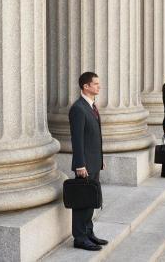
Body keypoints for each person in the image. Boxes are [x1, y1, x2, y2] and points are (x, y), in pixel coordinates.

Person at [68, 72, 108, 251]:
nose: (99, 87)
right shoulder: (78, 108)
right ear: (86, 86)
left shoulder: (91, 106)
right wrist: (80, 164)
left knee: (91, 199)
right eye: (96, 84)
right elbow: (77, 140)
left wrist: (100, 159)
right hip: (84, 165)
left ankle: (89, 232)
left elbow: (94, 137)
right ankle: (80, 238)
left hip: (94, 161)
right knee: (81, 202)